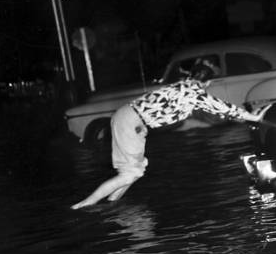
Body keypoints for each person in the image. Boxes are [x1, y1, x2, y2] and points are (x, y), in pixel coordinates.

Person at [71, 57, 263, 209]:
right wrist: (253, 117)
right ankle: (84, 205)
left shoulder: (184, 86)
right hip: (131, 121)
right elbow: (222, 107)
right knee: (129, 174)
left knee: (134, 172)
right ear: (208, 81)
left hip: (130, 120)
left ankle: (112, 204)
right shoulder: (193, 91)